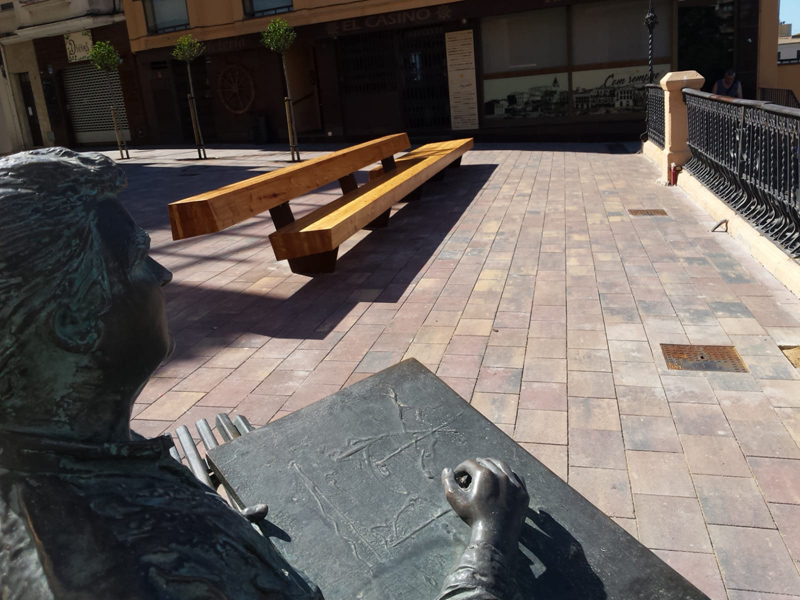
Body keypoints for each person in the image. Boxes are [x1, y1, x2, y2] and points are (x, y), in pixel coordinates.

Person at [0, 148, 529, 599]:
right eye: (139, 261)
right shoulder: (137, 569)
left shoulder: (62, 442)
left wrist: (228, 534)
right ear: (71, 323)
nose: (162, 275)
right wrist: (489, 541)